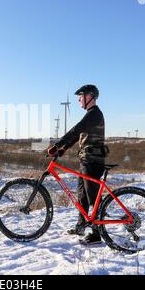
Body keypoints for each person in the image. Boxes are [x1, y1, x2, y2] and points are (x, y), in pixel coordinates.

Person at [48, 84, 108, 245]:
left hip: (93, 161)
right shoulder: (91, 114)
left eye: (80, 96)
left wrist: (57, 143)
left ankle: (97, 234)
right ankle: (81, 225)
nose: (79, 100)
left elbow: (76, 129)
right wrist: (63, 148)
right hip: (86, 160)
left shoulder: (94, 114)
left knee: (93, 197)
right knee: (82, 195)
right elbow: (79, 135)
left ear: (90, 96)